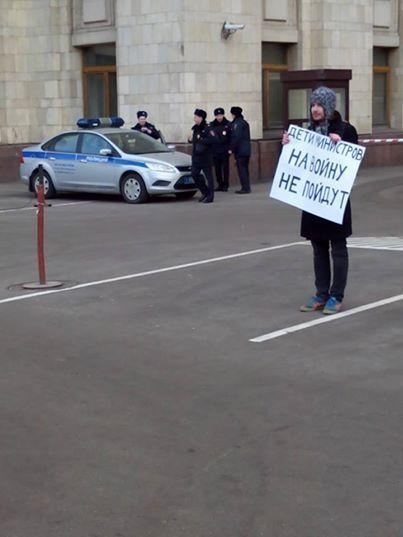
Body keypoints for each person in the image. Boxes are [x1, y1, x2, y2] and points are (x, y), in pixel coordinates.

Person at [282, 86, 359, 315]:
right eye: (313, 105)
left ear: (329, 107)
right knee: (318, 248)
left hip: (334, 200)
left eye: (319, 105)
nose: (315, 109)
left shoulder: (346, 130)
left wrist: (341, 145)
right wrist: (287, 146)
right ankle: (321, 293)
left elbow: (352, 162)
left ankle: (336, 295)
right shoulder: (306, 132)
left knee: (338, 247)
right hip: (313, 200)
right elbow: (294, 165)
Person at [188, 108, 217, 204]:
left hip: (206, 157)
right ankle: (205, 192)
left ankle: (210, 196)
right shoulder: (195, 128)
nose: (194, 118)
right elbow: (195, 140)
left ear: (201, 118)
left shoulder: (208, 127)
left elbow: (214, 139)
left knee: (209, 177)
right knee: (194, 174)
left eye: (196, 117)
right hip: (196, 157)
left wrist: (200, 139)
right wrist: (191, 140)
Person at [229, 106, 251, 194]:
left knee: (241, 169)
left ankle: (245, 188)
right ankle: (246, 186)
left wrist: (231, 149)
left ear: (234, 114)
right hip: (246, 149)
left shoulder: (237, 124)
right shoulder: (244, 122)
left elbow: (236, 137)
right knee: (245, 169)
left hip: (240, 150)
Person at [211, 107, 231, 191]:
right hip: (215, 150)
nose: (219, 117)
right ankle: (220, 184)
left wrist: (230, 149)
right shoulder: (212, 125)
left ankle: (226, 184)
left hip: (225, 150)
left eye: (221, 115)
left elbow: (231, 138)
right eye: (217, 115)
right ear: (215, 116)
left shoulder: (228, 124)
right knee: (217, 168)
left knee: (225, 168)